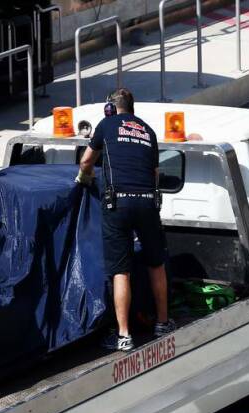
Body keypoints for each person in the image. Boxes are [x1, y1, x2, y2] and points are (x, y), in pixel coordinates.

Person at [76, 88, 175, 352]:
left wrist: (85, 179)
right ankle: (163, 323)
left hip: (117, 202)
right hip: (147, 203)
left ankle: (123, 335)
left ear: (110, 107)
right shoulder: (148, 131)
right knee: (156, 263)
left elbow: (86, 161)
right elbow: (154, 175)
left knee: (121, 271)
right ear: (132, 108)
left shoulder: (106, 124)